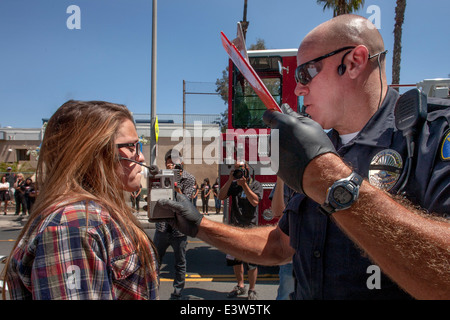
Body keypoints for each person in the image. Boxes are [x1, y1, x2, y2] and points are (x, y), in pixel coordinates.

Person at [156, 15, 450, 300]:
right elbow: (281, 246)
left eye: (305, 72)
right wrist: (200, 225)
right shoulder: (320, 146)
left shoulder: (430, 136)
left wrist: (327, 176)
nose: (297, 88)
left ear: (354, 62)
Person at [3, 100, 159, 300]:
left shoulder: (92, 216)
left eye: (139, 146)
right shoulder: (72, 224)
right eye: (131, 147)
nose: (141, 158)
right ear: (94, 153)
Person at [153, 148, 195, 300]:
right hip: (163, 227)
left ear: (181, 163)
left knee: (180, 263)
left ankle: (177, 293)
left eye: (174, 162)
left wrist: (175, 185)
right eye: (168, 163)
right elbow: (156, 199)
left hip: (180, 229)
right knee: (155, 261)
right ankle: (154, 290)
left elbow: (187, 204)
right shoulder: (161, 176)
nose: (171, 165)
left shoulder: (189, 179)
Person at [218, 161, 263, 300]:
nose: (239, 171)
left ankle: (252, 289)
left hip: (250, 228)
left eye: (241, 169)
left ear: (248, 170)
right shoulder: (233, 185)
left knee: (251, 261)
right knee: (235, 260)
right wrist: (230, 179)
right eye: (236, 169)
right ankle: (240, 285)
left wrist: (245, 186)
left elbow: (255, 201)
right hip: (235, 227)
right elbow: (221, 196)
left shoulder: (256, 184)